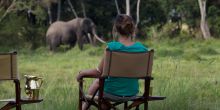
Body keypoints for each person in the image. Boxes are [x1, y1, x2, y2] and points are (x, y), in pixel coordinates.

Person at [77, 14, 148, 110]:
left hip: (110, 92)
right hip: (132, 93)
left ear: (115, 29)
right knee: (102, 94)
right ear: (132, 29)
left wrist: (82, 73)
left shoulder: (111, 47)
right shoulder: (142, 49)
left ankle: (83, 108)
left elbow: (98, 72)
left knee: (98, 83)